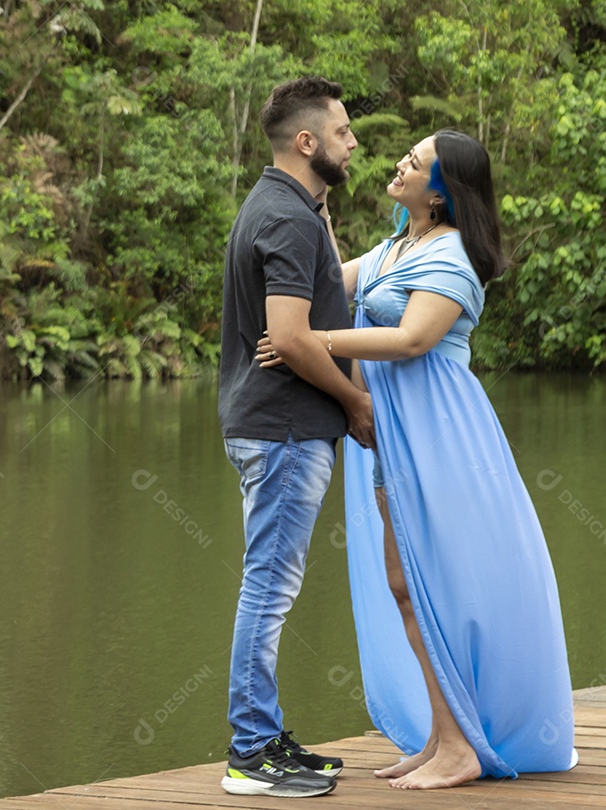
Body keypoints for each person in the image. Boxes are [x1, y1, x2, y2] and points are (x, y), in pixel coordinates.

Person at [258, 129, 578, 789]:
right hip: (396, 433)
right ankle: (444, 736)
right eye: (406, 155)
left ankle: (461, 747)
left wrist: (307, 338)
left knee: (434, 583)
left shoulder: (454, 256)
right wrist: (305, 210)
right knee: (406, 585)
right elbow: (327, 280)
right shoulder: (399, 245)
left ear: (443, 189)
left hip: (442, 433)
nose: (400, 163)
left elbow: (409, 339)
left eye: (417, 162)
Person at [217, 76, 375, 799]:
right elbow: (289, 335)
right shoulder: (287, 218)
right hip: (285, 430)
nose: (354, 143)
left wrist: (323, 211)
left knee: (269, 584)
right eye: (342, 133)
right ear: (307, 142)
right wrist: (354, 404)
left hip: (275, 427)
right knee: (269, 590)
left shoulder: (287, 207)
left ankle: (266, 735)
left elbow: (314, 306)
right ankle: (250, 753)